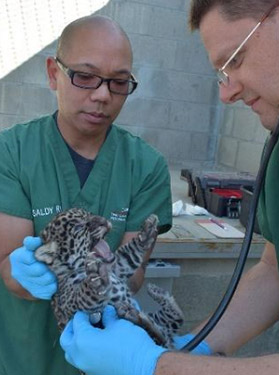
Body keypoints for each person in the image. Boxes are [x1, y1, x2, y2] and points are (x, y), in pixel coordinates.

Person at [59, 0, 279, 374]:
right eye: (221, 74)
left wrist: (163, 367)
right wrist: (197, 344)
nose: (226, 94)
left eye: (236, 60)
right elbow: (277, 270)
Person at [0, 15, 173, 375]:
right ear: (53, 74)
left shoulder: (146, 166)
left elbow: (134, 274)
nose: (102, 95)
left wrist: (99, 277)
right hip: (25, 359)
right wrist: (26, 272)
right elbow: (9, 270)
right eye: (85, 76)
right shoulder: (12, 153)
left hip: (106, 360)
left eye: (119, 82)